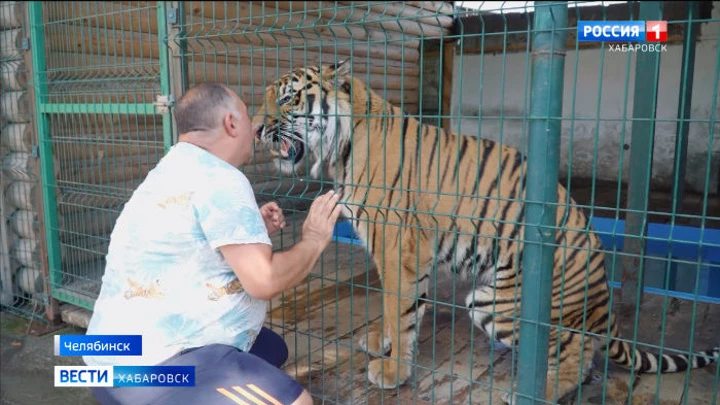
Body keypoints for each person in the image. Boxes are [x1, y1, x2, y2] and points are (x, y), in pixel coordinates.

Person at [82, 82, 342, 405]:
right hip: (152, 371)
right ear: (231, 124)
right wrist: (314, 239)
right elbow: (265, 281)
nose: (256, 127)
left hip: (103, 364)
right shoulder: (223, 179)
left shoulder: (170, 170)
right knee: (297, 401)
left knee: (271, 350)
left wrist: (250, 230)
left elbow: (185, 238)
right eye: (248, 116)